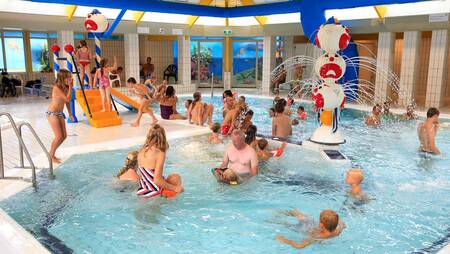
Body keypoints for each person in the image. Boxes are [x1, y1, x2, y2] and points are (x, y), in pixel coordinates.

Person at [137, 124, 183, 198]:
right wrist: (175, 188)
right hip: (154, 192)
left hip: (142, 190)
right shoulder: (160, 154)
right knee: (177, 180)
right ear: (163, 137)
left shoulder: (142, 150)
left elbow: (141, 175)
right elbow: (157, 181)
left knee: (174, 177)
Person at [276, 209, 345, 249]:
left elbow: (299, 246)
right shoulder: (335, 233)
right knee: (300, 220)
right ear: (335, 225)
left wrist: (285, 240)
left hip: (306, 228)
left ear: (321, 225)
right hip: (311, 226)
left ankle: (286, 213)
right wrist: (338, 222)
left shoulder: (316, 236)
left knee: (291, 224)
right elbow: (342, 226)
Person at [46, 69, 74, 163]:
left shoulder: (64, 88)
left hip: (59, 113)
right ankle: (51, 155)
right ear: (62, 78)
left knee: (64, 136)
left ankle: (51, 153)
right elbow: (67, 99)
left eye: (70, 77)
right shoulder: (56, 88)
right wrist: (70, 86)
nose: (70, 79)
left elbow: (67, 102)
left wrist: (70, 114)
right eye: (68, 77)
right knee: (58, 136)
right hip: (52, 113)